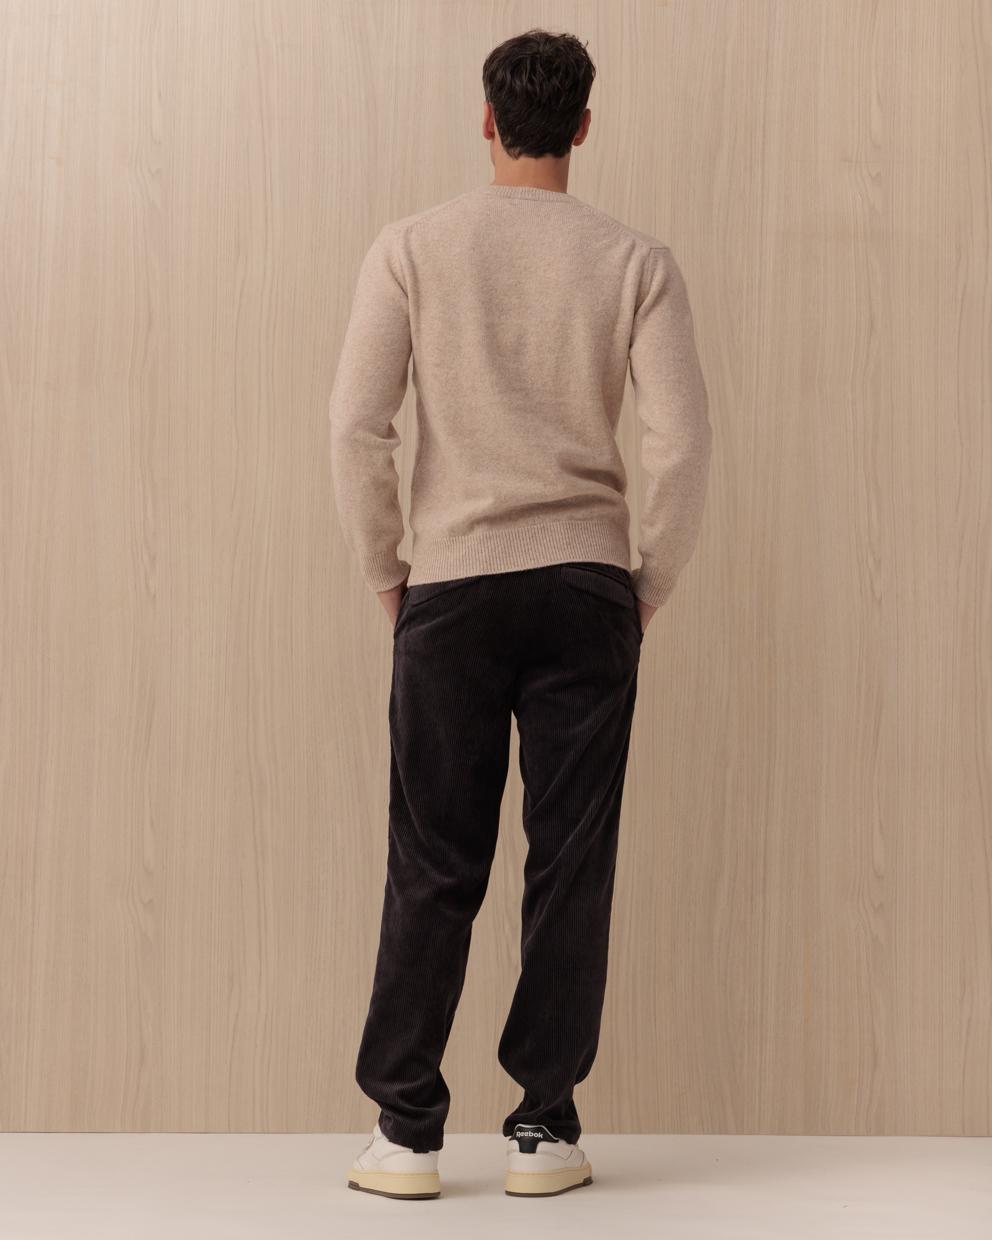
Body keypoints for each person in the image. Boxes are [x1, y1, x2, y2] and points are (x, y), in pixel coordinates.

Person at [330, 27, 712, 1200]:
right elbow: (680, 443)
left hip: (450, 586)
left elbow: (355, 427)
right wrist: (646, 582)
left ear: (486, 121)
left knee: (432, 857)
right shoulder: (634, 262)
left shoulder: (411, 248)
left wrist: (388, 572)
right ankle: (543, 1126)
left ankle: (406, 1132)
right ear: (582, 126)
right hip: (586, 587)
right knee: (570, 860)